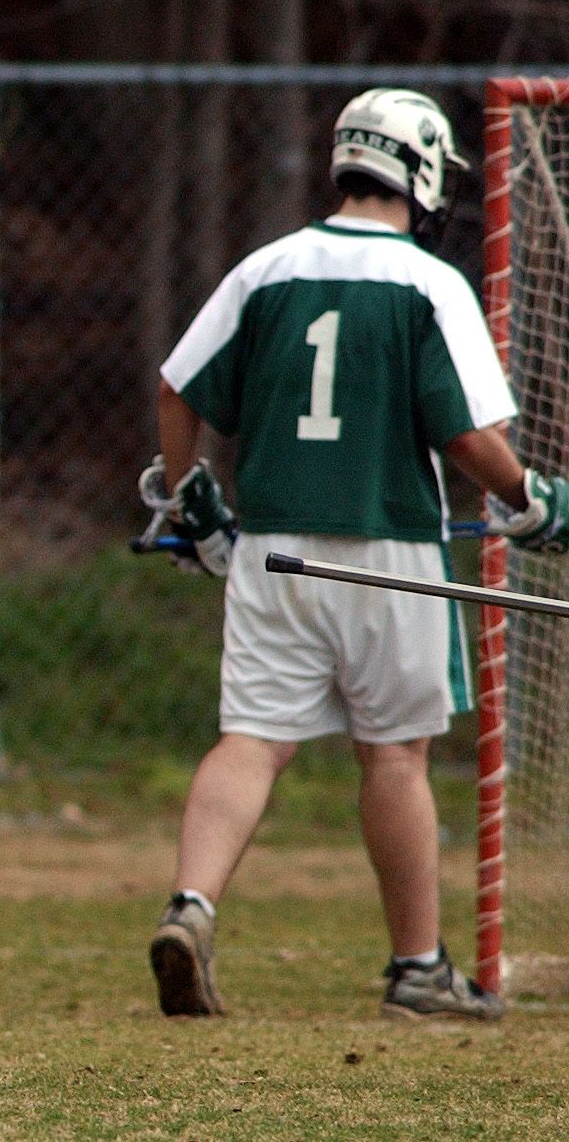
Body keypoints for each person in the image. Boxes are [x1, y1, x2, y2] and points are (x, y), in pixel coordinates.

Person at [147, 87, 569, 1022]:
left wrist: (187, 498)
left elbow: (178, 390)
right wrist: (529, 499)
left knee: (253, 739)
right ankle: (417, 968)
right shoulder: (429, 283)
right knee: (395, 756)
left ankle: (191, 906)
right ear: (420, 172)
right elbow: (469, 435)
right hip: (393, 556)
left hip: (272, 551)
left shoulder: (266, 268)